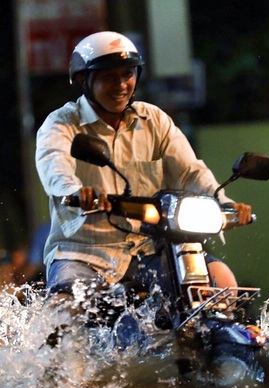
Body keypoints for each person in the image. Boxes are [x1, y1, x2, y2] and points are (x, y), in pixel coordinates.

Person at [35, 31, 251, 306]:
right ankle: (60, 348)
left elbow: (190, 171)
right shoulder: (62, 124)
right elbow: (54, 165)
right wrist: (75, 191)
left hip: (149, 248)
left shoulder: (154, 120)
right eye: (108, 77)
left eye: (127, 74)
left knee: (222, 282)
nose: (121, 84)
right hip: (83, 254)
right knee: (64, 309)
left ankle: (220, 344)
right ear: (82, 80)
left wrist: (224, 202)